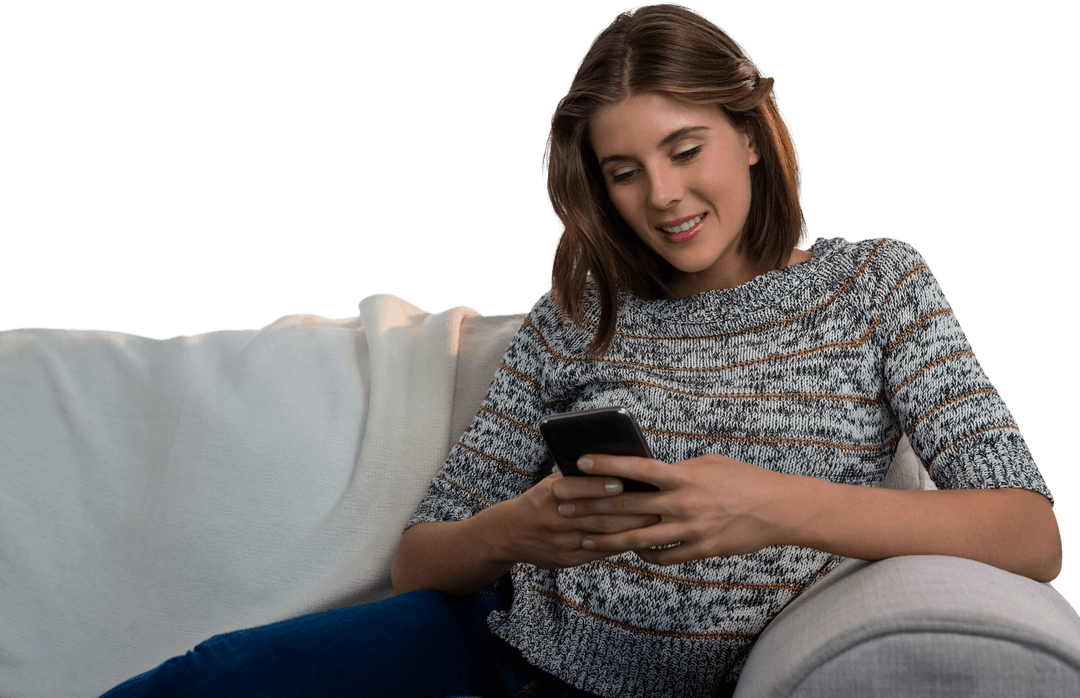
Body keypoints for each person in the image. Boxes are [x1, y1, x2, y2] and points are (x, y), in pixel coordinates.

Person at [100, 4, 1061, 697]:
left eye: (687, 150)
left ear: (753, 136)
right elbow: (422, 560)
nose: (664, 198)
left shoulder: (878, 284)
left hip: (695, 681)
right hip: (493, 650)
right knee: (212, 678)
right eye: (625, 172)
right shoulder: (578, 311)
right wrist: (522, 531)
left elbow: (1030, 534)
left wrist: (771, 506)